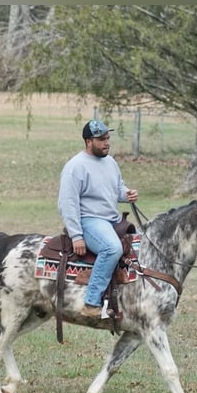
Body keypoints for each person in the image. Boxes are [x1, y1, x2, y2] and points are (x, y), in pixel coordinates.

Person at [58, 119, 138, 318]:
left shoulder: (110, 162)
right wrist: (76, 236)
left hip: (112, 219)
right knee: (112, 248)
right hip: (89, 220)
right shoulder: (75, 167)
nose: (107, 143)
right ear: (88, 141)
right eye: (101, 139)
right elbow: (67, 204)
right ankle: (91, 302)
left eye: (108, 138)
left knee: (139, 244)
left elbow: (117, 188)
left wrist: (126, 194)